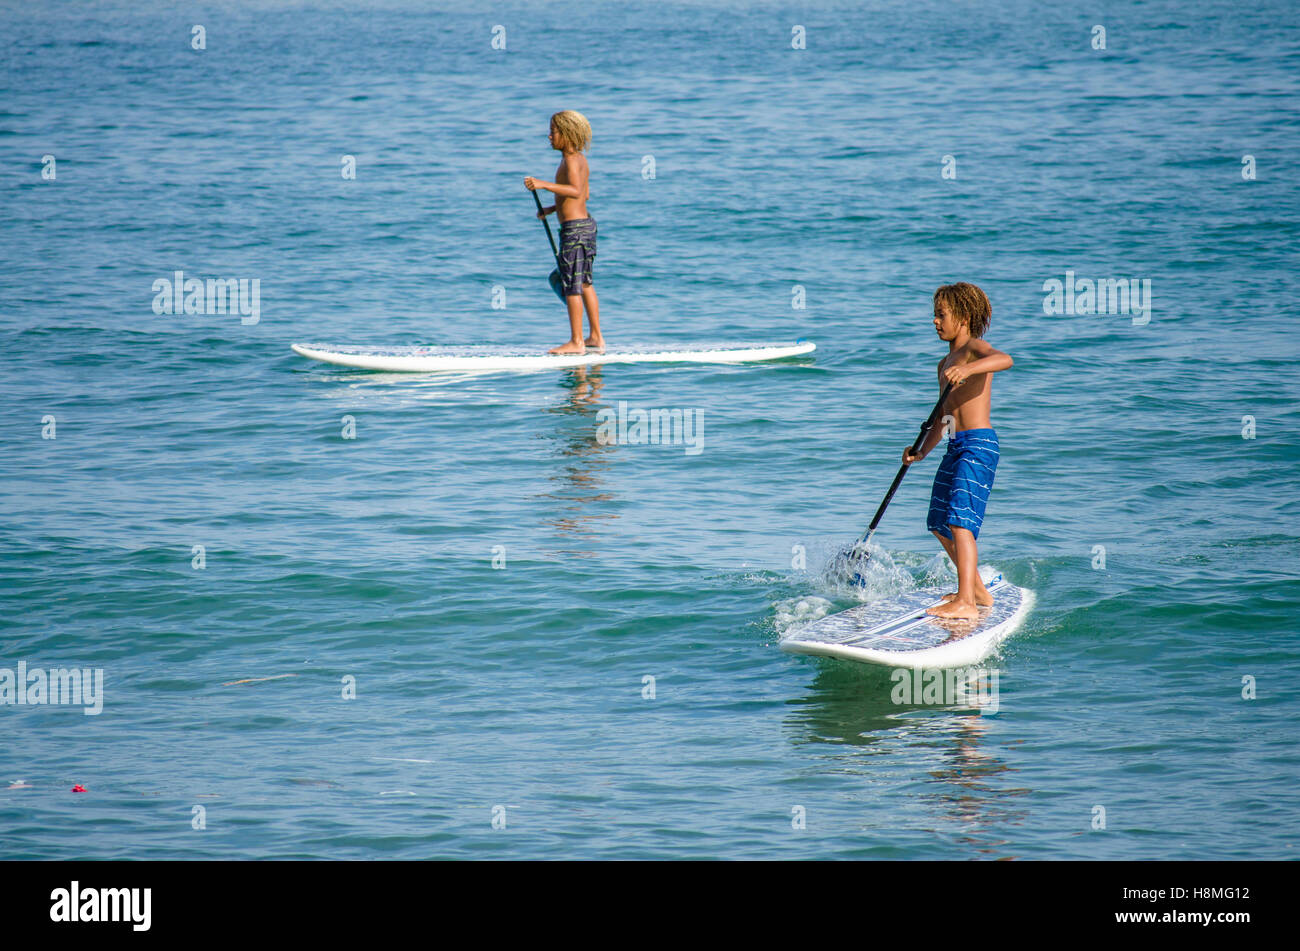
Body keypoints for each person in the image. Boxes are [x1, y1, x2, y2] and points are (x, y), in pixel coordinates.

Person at [902, 282, 1013, 620]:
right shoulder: (943, 364)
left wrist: (968, 368)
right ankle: (976, 589)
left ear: (963, 317)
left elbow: (1004, 360)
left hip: (978, 445)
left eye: (941, 315)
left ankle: (966, 601)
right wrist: (922, 451)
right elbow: (945, 418)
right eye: (934, 315)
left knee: (960, 521)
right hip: (955, 445)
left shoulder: (972, 350)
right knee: (938, 521)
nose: (935, 321)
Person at [524, 110, 604, 355]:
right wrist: (551, 208)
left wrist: (543, 184)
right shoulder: (578, 159)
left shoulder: (571, 160)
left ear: (567, 134)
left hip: (575, 231)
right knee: (585, 283)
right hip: (584, 226)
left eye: (554, 132)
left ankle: (576, 342)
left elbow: (577, 190)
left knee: (571, 285)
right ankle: (595, 337)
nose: (549, 136)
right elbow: (584, 196)